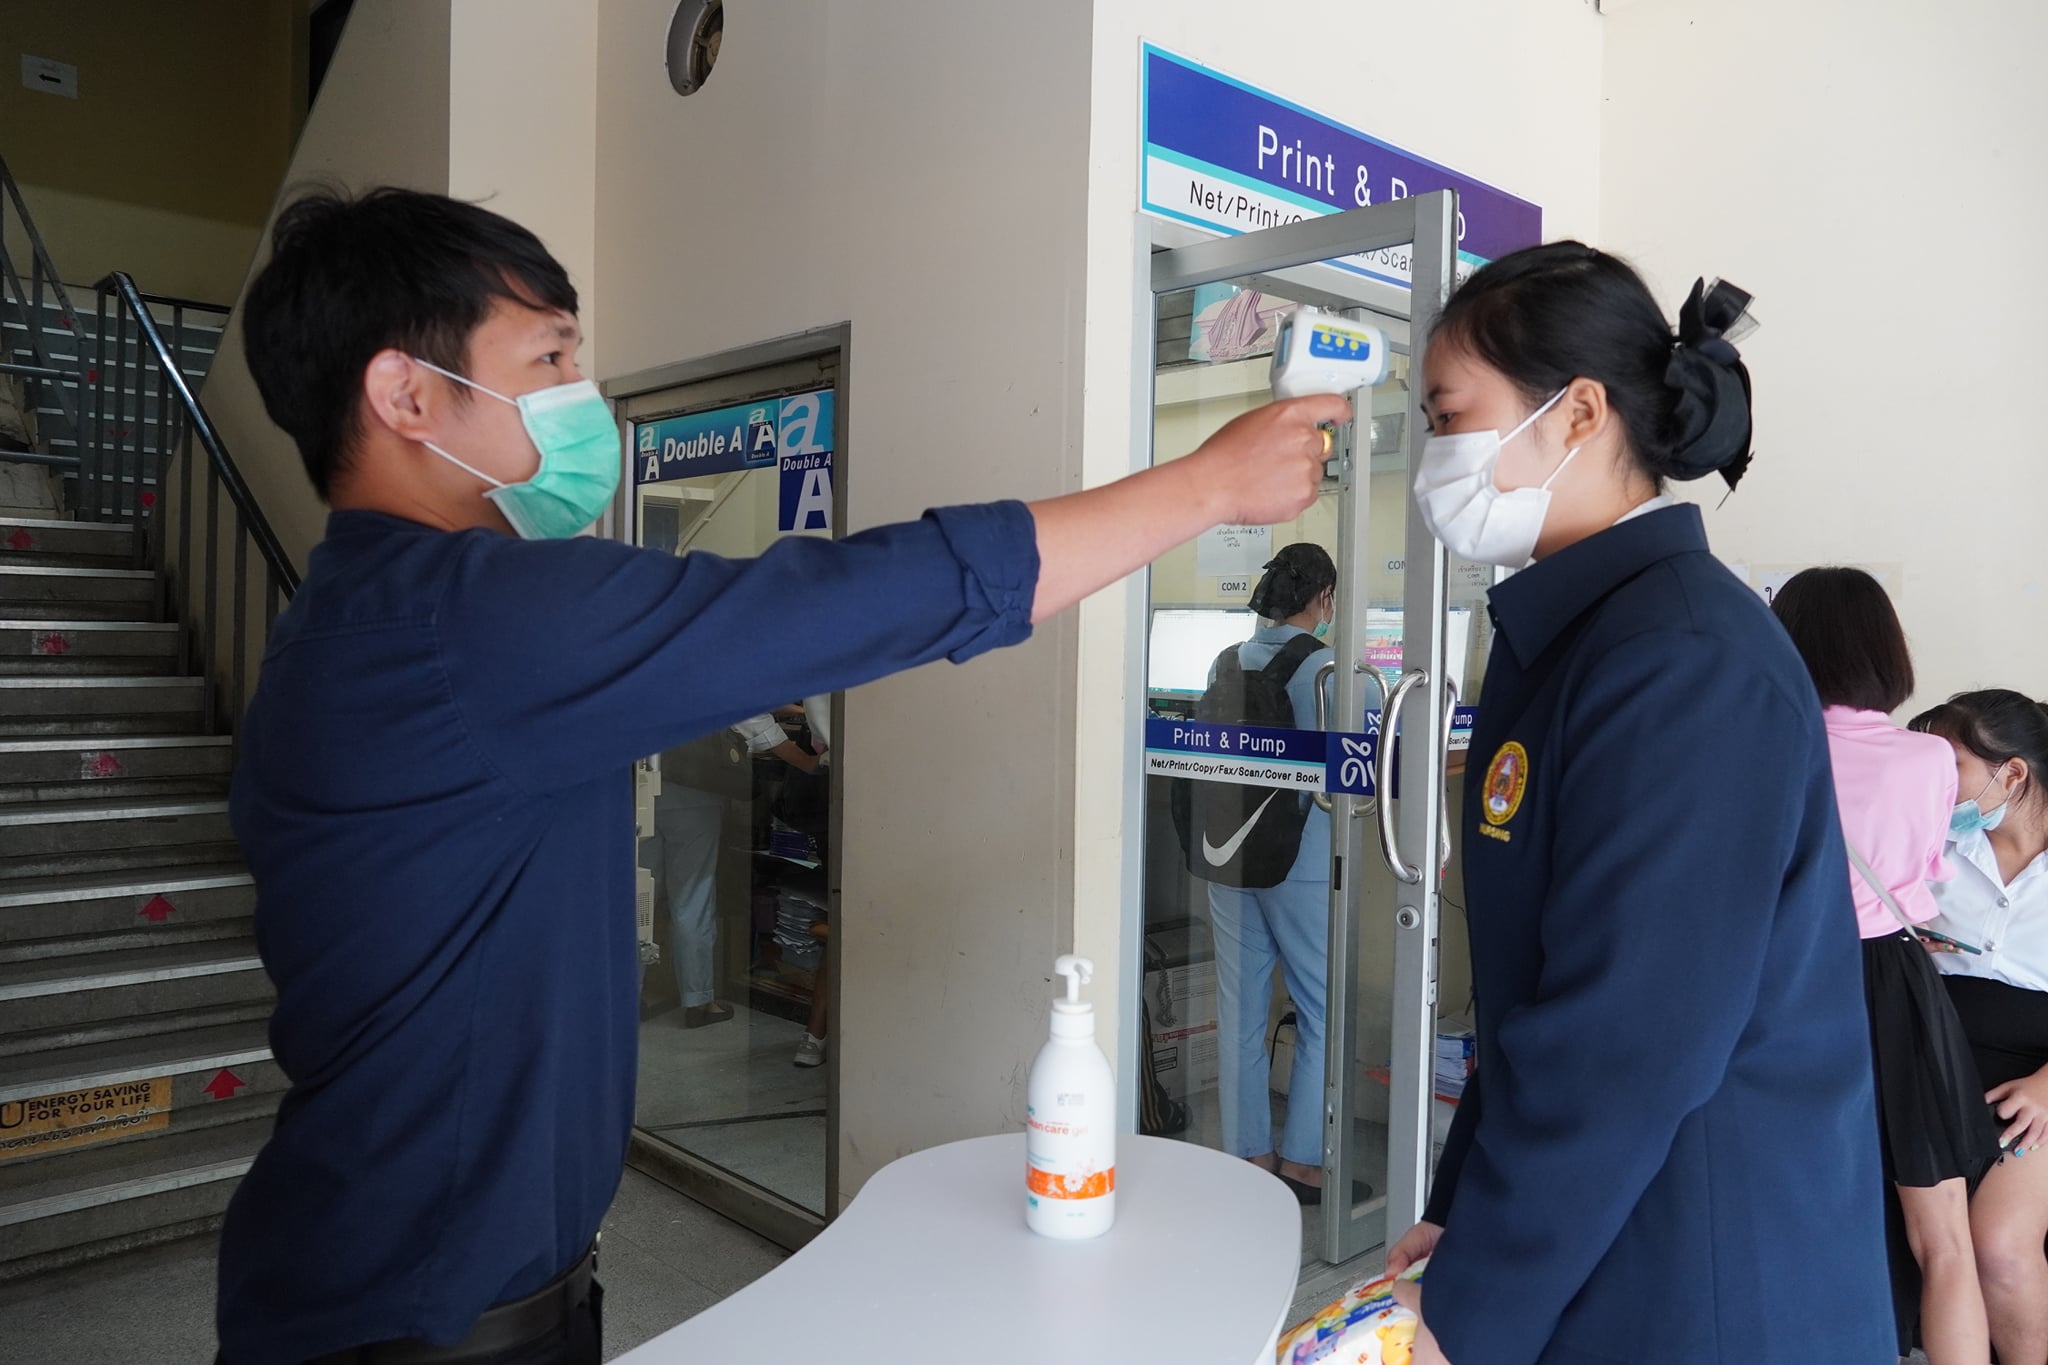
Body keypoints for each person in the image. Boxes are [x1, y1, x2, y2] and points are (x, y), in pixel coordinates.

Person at [216, 186, 1345, 1364]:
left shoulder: (374, 619)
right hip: (414, 1327)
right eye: (548, 359)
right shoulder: (461, 622)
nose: (577, 397)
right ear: (405, 395)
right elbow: (842, 602)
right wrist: (1203, 488)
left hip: (418, 1288)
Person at [1380, 242, 1892, 1365]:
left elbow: (1621, 1048)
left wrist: (1471, 1306)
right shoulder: (1585, 636)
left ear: (1576, 412)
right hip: (1618, 1236)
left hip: (1702, 1274)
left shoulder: (1681, 661)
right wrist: (1462, 1215)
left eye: (1447, 416)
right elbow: (1540, 1006)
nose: (1431, 455)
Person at [1772, 568, 2001, 1364]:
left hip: (1792, 983)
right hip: (1897, 986)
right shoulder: (1930, 757)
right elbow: (1928, 873)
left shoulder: (1767, 744)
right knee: (1944, 1239)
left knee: (1796, 1213)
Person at [1910, 690, 2048, 1365]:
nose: (1935, 783)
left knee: (1999, 1246)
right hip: (1929, 1063)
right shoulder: (1928, 844)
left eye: (1952, 765)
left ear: (2011, 773)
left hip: (2036, 1084)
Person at [1205, 542, 1336, 1203]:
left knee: (1239, 1011)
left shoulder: (1225, 660)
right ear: (1324, 599)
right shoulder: (1329, 670)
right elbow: (1365, 759)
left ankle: (1248, 1157)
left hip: (1228, 856)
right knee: (1320, 1008)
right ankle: (1304, 1164)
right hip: (1300, 862)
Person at [654, 711, 816, 1029]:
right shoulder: (709, 676)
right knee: (692, 897)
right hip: (693, 792)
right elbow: (749, 715)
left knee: (636, 899)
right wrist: (807, 761)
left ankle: (625, 998)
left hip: (637, 791)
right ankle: (699, 1001)